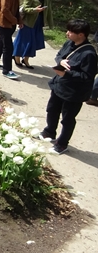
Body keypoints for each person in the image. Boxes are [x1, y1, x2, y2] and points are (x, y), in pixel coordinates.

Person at [41, 19, 98, 154]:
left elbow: (87, 77)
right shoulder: (69, 43)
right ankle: (49, 132)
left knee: (67, 119)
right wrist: (60, 61)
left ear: (81, 35)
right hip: (59, 86)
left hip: (74, 93)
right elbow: (59, 55)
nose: (67, 33)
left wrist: (67, 73)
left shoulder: (89, 54)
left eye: (71, 31)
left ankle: (62, 143)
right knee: (52, 110)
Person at [12, 0, 54, 69]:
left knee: (33, 43)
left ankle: (26, 59)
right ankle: (17, 57)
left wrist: (51, 24)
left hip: (38, 23)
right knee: (23, 41)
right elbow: (24, 9)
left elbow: (49, 11)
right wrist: (35, 10)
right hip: (28, 23)